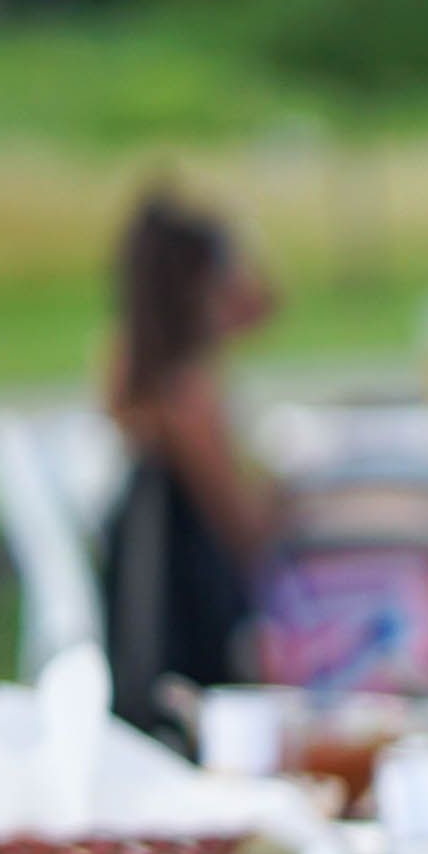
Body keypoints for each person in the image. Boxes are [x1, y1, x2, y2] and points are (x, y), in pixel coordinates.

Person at [98, 181, 281, 743]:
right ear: (203, 283)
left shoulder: (130, 368)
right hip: (203, 645)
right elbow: (245, 534)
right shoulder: (188, 395)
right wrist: (281, 494)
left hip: (156, 630)